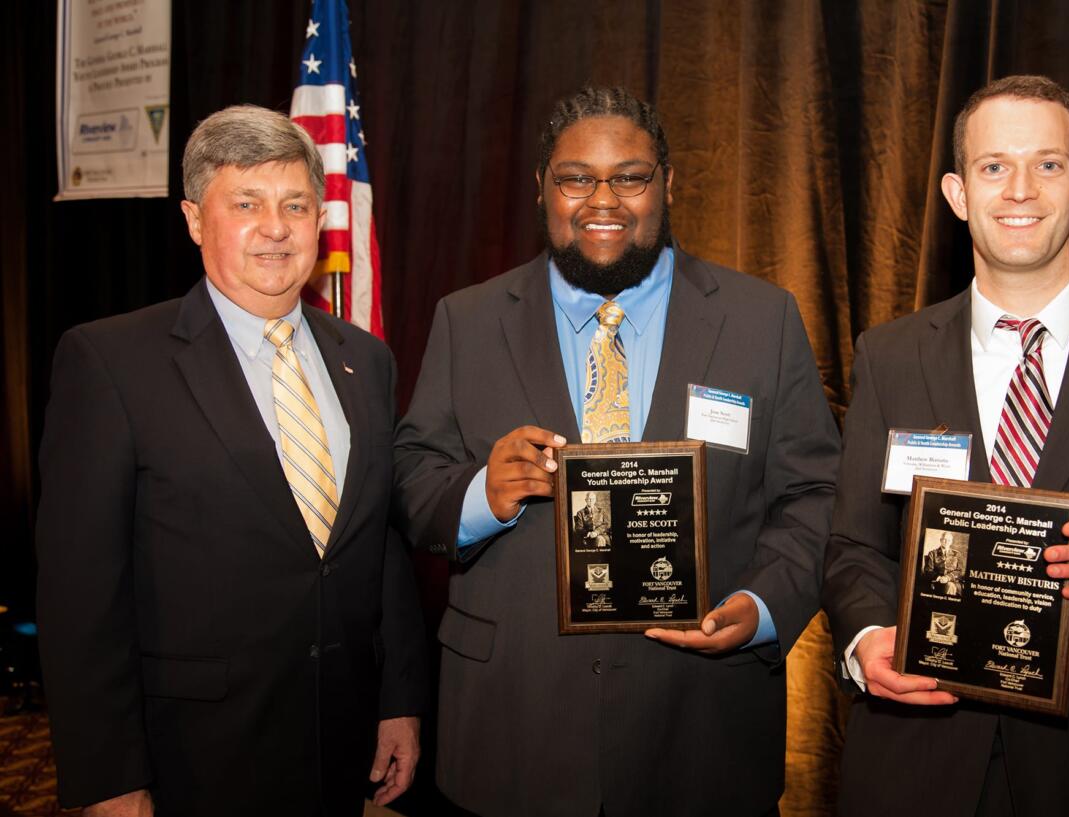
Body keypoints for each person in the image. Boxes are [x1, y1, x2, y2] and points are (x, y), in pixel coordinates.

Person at [393, 86, 840, 817]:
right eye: (576, 177)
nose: (603, 199)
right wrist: (484, 493)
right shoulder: (467, 319)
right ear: (543, 188)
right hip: (512, 735)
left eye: (630, 176)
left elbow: (817, 494)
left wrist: (763, 605)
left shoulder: (764, 318)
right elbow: (410, 480)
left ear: (669, 185)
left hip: (701, 734)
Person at [822, 75, 1069, 816]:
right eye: (993, 166)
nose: (1020, 190)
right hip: (915, 756)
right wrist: (871, 636)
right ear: (956, 192)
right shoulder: (889, 354)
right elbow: (853, 543)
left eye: (1047, 164)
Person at [36, 105, 429, 817]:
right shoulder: (110, 361)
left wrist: (397, 698)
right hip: (191, 759)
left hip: (339, 746)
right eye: (245, 203)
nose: (275, 227)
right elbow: (79, 595)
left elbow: (382, 544)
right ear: (193, 219)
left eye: (295, 204)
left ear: (320, 218)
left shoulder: (364, 360)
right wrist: (108, 779)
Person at [922, 531, 964, 596]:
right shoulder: (932, 553)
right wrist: (939, 578)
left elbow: (960, 571)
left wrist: (947, 578)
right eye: (945, 539)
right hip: (938, 582)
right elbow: (928, 570)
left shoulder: (957, 554)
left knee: (951, 586)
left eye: (949, 540)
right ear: (941, 540)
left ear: (951, 542)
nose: (947, 542)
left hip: (953, 581)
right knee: (949, 586)